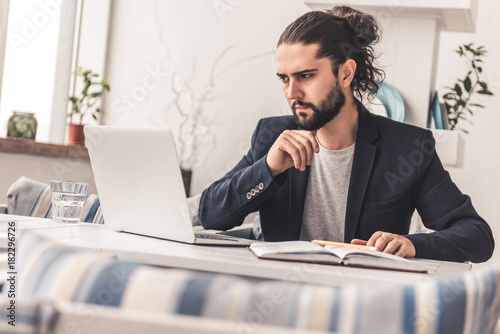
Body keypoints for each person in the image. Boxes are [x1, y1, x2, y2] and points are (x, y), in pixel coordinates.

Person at [198, 6, 494, 263]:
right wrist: (268, 168)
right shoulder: (272, 136)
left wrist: (413, 244)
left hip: (362, 302)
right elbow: (211, 214)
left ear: (345, 73)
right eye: (284, 79)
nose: (292, 93)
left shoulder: (408, 147)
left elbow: (476, 236)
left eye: (306, 76)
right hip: (280, 296)